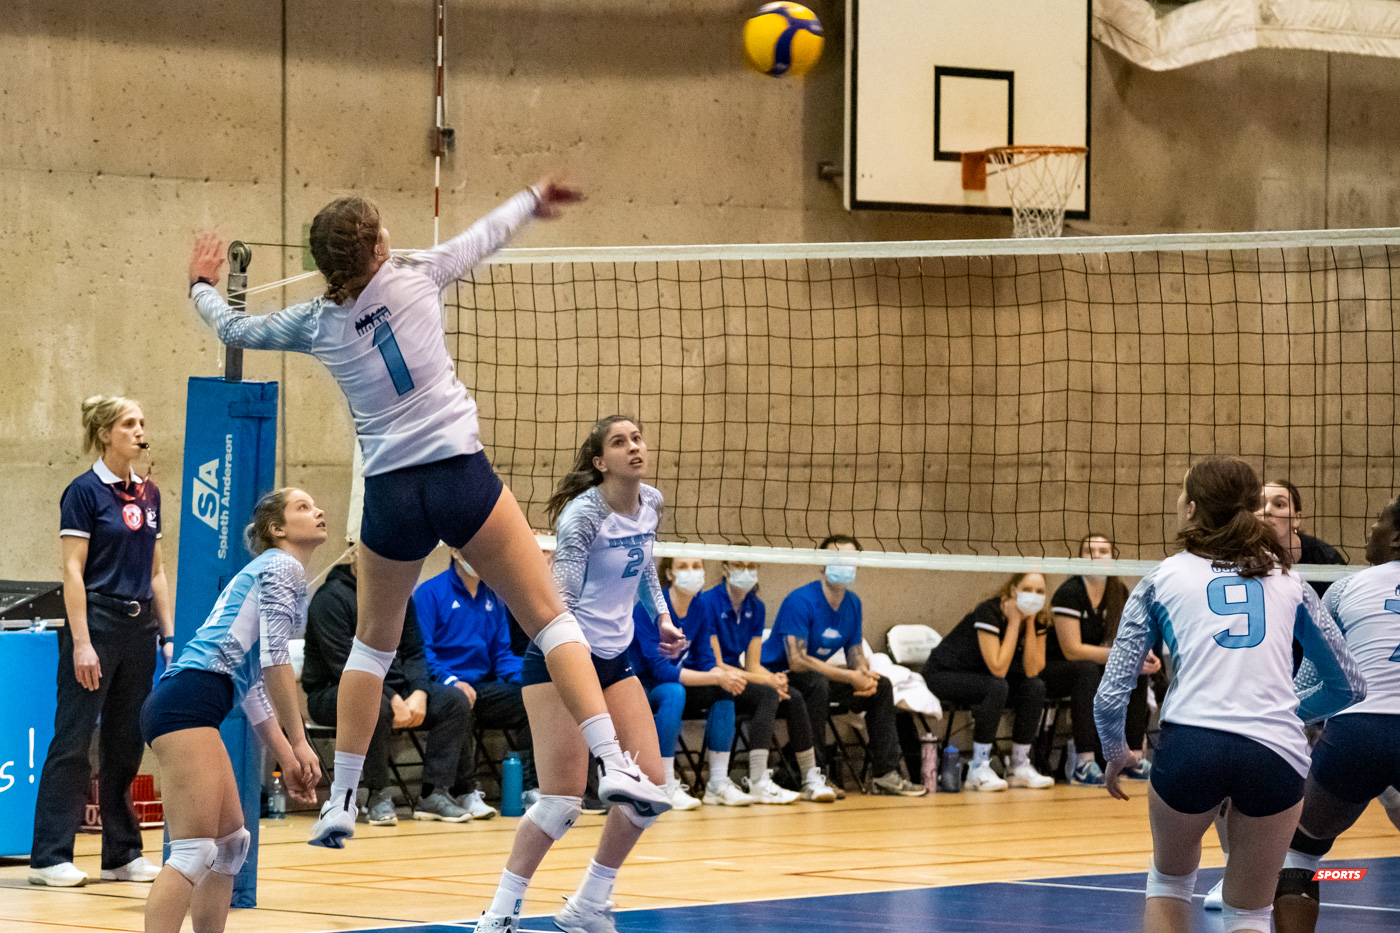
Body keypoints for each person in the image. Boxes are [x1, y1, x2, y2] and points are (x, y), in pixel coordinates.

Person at [187, 181, 675, 849]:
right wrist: (533, 196)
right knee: (551, 618)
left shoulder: (314, 321)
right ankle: (614, 760)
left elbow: (234, 327)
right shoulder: (417, 272)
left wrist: (201, 286)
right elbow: (486, 234)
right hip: (457, 475)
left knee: (372, 644)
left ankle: (342, 799)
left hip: (391, 491)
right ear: (380, 244)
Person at [1094, 456, 1366, 933]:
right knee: (1249, 912)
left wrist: (1117, 755)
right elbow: (1349, 684)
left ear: (1193, 508)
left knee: (1170, 885)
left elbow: (1112, 692)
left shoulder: (1160, 579)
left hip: (1192, 745)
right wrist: (1288, 709)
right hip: (1275, 752)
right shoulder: (1291, 582)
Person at [476, 416, 680, 933]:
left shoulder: (650, 502)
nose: (634, 447)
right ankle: (500, 913)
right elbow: (558, 603)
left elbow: (646, 564)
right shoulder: (582, 516)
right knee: (561, 802)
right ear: (599, 462)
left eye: (637, 438)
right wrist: (573, 660)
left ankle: (588, 903)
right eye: (619, 442)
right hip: (559, 659)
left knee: (651, 787)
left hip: (615, 658)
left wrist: (661, 616)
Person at [138, 489, 324, 933]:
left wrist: (285, 753)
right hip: (186, 703)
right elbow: (276, 659)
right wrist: (300, 741)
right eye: (302, 507)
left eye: (315, 505)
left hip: (195, 702)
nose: (317, 511)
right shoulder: (281, 566)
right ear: (276, 529)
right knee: (192, 852)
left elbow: (252, 687)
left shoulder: (273, 571)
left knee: (231, 845)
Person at [31, 396, 175, 888]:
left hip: (140, 630)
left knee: (125, 741)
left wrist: (168, 635)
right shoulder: (84, 492)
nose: (139, 430)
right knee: (73, 740)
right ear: (104, 433)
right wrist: (82, 642)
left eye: (141, 422)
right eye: (128, 424)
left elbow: (156, 571)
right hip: (97, 622)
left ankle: (122, 854)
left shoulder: (149, 493)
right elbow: (72, 570)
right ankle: (49, 857)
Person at [1271, 494, 1400, 933]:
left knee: (1298, 851)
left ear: (1398, 538)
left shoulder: (1347, 587)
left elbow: (1310, 681)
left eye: (1380, 521)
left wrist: (1277, 719)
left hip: (1359, 732)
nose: (1371, 529)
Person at [302, 544, 484, 826]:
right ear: (354, 555)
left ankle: (433, 793)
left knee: (453, 701)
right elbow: (344, 665)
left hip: (394, 689)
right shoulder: (330, 600)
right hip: (332, 691)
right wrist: (390, 697)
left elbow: (414, 650)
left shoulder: (399, 595)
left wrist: (420, 692)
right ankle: (378, 795)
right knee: (371, 704)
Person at [762, 536, 926, 797]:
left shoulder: (853, 603)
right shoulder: (801, 600)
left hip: (818, 678)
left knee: (880, 686)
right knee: (818, 685)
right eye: (836, 559)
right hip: (778, 677)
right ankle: (816, 776)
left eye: (849, 560)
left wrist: (863, 673)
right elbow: (797, 660)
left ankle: (886, 775)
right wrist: (850, 677)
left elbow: (854, 651)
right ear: (822, 563)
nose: (843, 565)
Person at [413, 545, 539, 815]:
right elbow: (422, 651)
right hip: (442, 685)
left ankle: (530, 787)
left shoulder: (494, 597)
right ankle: (461, 791)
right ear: (456, 553)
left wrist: (533, 673)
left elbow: (502, 655)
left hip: (481, 686)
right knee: (458, 701)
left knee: (534, 697)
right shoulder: (430, 592)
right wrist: (450, 680)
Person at [697, 554, 828, 802]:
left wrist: (774, 678)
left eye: (751, 566)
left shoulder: (756, 607)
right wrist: (767, 683)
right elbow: (717, 664)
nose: (746, 571)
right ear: (725, 569)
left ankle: (810, 778)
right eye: (739, 565)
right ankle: (758, 780)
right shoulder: (708, 603)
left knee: (791, 694)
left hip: (737, 673)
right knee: (767, 693)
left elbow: (754, 664)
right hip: (712, 674)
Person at [923, 573, 1056, 792]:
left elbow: (1033, 670)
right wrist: (1014, 621)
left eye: (1040, 592)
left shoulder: (1039, 618)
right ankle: (978, 767)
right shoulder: (989, 611)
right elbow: (998, 668)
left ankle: (1019, 766)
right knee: (996, 686)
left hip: (983, 678)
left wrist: (1030, 622)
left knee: (1035, 686)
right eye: (1027, 589)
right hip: (944, 674)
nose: (1033, 596)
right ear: (1013, 591)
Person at [1046, 534, 1158, 786]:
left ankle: (1132, 759)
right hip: (1054, 668)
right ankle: (1084, 763)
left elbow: (1126, 639)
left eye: (1102, 551)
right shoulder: (1069, 592)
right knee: (1086, 671)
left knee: (1136, 670)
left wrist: (1143, 654)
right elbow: (1071, 651)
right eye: (1088, 550)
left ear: (1112, 558)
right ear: (1079, 558)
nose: (1096, 555)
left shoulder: (1118, 591)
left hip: (1092, 667)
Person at [1258, 479, 1348, 598]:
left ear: (1296, 519)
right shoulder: (1240, 556)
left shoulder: (1326, 557)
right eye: (1260, 504)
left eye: (1279, 504)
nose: (1267, 510)